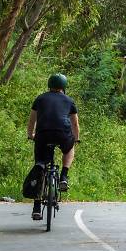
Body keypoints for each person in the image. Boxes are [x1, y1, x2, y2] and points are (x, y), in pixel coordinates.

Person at [26, 73, 80, 220]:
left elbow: (32, 121)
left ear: (49, 85)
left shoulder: (40, 98)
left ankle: (37, 208)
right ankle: (63, 176)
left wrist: (31, 135)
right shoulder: (69, 100)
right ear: (64, 87)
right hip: (62, 134)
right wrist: (76, 138)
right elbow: (75, 124)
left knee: (40, 166)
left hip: (43, 135)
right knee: (69, 149)